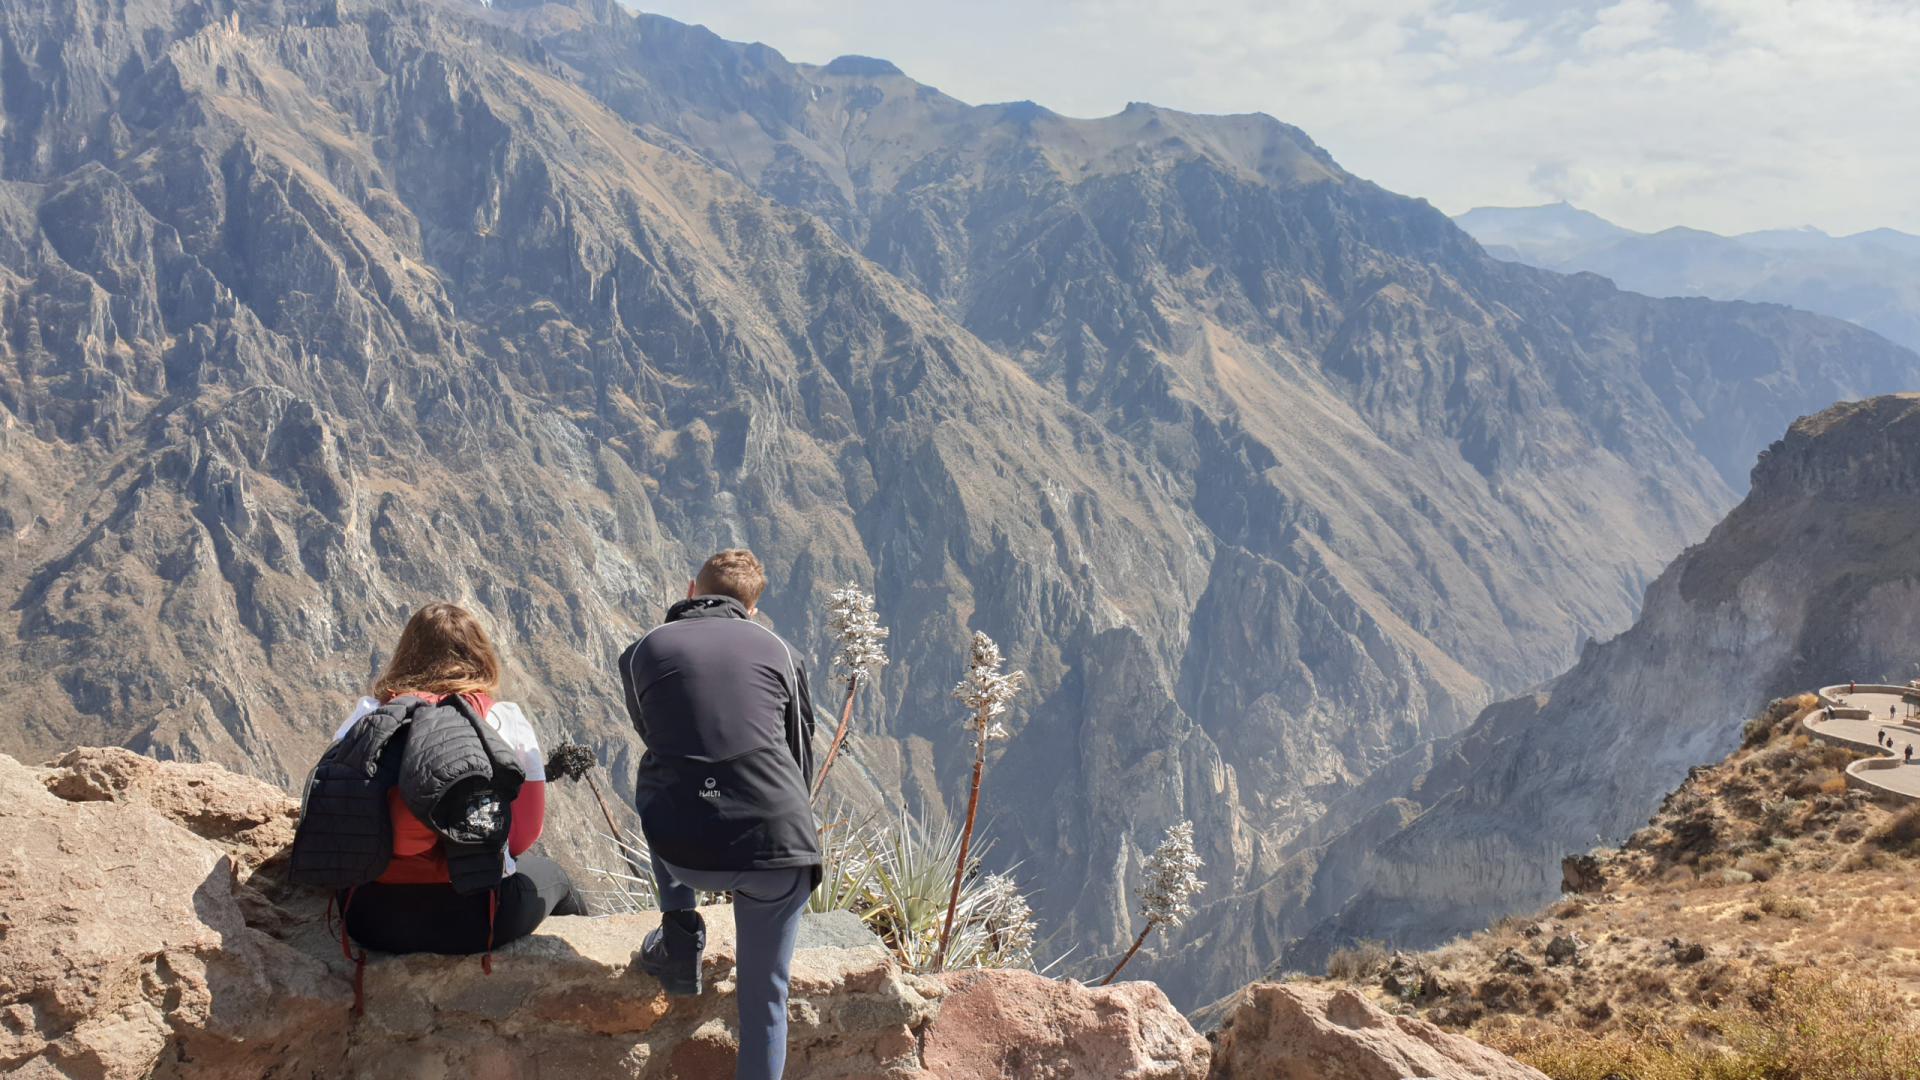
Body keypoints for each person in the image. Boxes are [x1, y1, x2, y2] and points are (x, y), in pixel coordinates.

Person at [619, 549, 820, 1080]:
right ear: (753, 611)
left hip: (682, 847)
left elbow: (662, 740)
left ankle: (681, 942)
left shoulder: (641, 652)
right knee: (765, 1003)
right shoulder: (780, 650)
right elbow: (800, 757)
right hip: (778, 848)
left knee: (662, 772)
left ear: (691, 590)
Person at [325, 603, 583, 957]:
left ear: (406, 655)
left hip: (370, 919)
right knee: (558, 879)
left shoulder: (369, 716)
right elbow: (523, 837)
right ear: (481, 657)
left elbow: (336, 806)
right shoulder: (505, 720)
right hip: (476, 921)